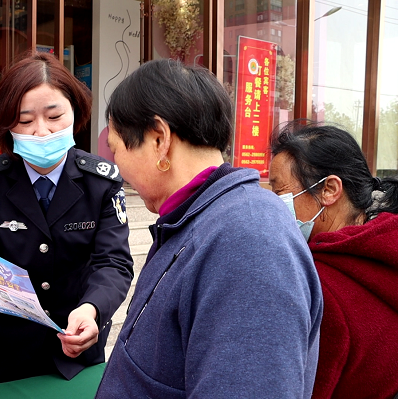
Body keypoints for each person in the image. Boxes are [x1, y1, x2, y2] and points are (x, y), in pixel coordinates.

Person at [95, 59, 323, 398]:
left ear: (159, 139)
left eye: (116, 149)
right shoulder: (197, 218)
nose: (117, 167)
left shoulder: (249, 243)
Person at [0, 51, 134, 383]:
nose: (41, 132)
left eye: (54, 116)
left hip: (79, 349)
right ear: (7, 124)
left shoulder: (100, 182)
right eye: (26, 121)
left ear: (75, 111)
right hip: (10, 353)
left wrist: (92, 309)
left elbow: (113, 262)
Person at [268, 121, 398, 398]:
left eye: (279, 193)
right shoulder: (383, 247)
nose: (271, 205)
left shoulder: (314, 284)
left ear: (329, 190)